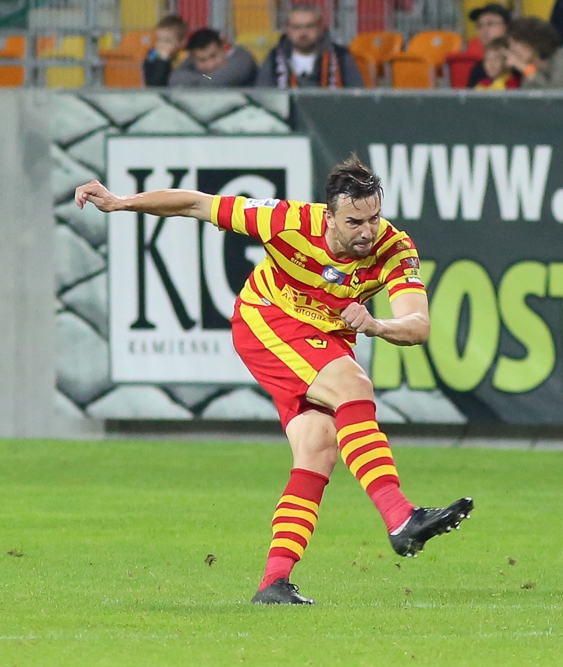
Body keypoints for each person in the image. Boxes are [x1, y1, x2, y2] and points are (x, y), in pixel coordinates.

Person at [73, 156, 473, 605]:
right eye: (354, 221)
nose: (367, 231)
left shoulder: (395, 248)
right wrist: (121, 202)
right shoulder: (286, 222)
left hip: (325, 336)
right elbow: (195, 204)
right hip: (267, 320)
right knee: (353, 386)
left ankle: (274, 582)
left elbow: (418, 325)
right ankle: (400, 517)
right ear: (329, 217)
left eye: (374, 218)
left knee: (319, 446)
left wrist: (378, 326)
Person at [257, 3, 363, 88]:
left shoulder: (341, 57)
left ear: (320, 27)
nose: (303, 33)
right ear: (288, 29)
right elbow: (262, 95)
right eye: (297, 27)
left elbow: (356, 95)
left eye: (309, 26)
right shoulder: (274, 58)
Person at [506, 17, 563, 89]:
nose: (512, 49)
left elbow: (556, 95)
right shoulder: (530, 72)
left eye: (516, 43)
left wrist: (525, 68)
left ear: (532, 41)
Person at [168, 28, 257, 87]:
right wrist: (205, 78)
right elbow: (175, 79)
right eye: (202, 60)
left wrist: (198, 80)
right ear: (192, 59)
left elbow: (216, 82)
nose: (210, 65)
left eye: (214, 56)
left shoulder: (242, 60)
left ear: (224, 48)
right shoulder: (191, 64)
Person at [466, 3, 512, 89]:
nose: (484, 30)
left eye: (490, 24)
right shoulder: (478, 70)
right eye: (480, 25)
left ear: (507, 27)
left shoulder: (519, 65)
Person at [142, 14, 187, 87]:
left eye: (167, 41)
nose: (161, 45)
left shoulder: (185, 59)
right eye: (158, 40)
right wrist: (163, 61)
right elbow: (153, 83)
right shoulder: (152, 58)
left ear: (181, 42)